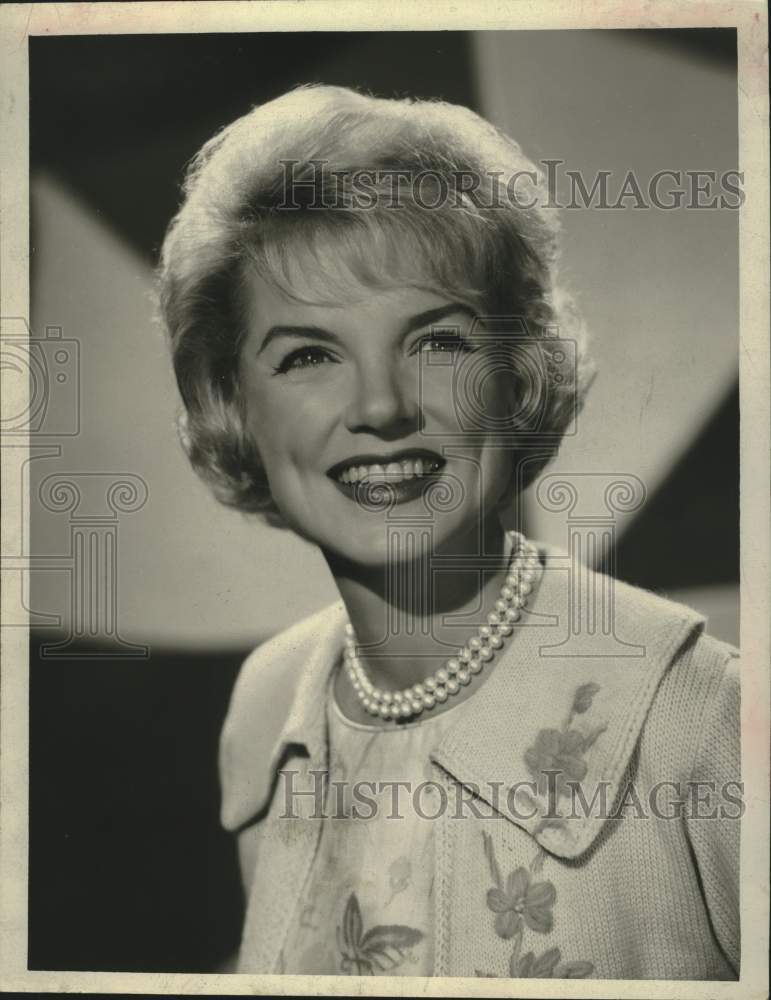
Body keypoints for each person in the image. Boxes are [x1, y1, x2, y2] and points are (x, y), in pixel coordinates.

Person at [158, 85, 740, 980]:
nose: (382, 407)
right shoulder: (267, 709)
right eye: (308, 355)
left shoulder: (702, 718)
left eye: (437, 343)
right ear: (234, 406)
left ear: (516, 373)